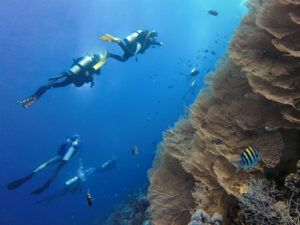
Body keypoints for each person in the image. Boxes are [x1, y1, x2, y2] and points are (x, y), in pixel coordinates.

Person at [18, 52, 108, 108]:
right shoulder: (95, 65)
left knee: (59, 84)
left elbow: (75, 62)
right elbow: (98, 73)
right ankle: (46, 88)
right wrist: (100, 64)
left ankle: (46, 87)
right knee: (61, 85)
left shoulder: (85, 59)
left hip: (72, 74)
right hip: (78, 78)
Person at [7, 134, 81, 195]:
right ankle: (48, 182)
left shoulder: (68, 142)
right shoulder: (76, 145)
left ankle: (32, 174)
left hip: (60, 156)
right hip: (65, 160)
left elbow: (61, 148)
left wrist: (62, 149)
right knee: (57, 170)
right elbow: (74, 154)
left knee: (46, 164)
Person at [37, 159, 117, 203]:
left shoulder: (80, 174)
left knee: (61, 193)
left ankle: (48, 198)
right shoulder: (82, 175)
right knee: (62, 193)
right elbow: (80, 183)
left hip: (73, 183)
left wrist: (80, 164)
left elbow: (81, 176)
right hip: (74, 184)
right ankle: (48, 198)